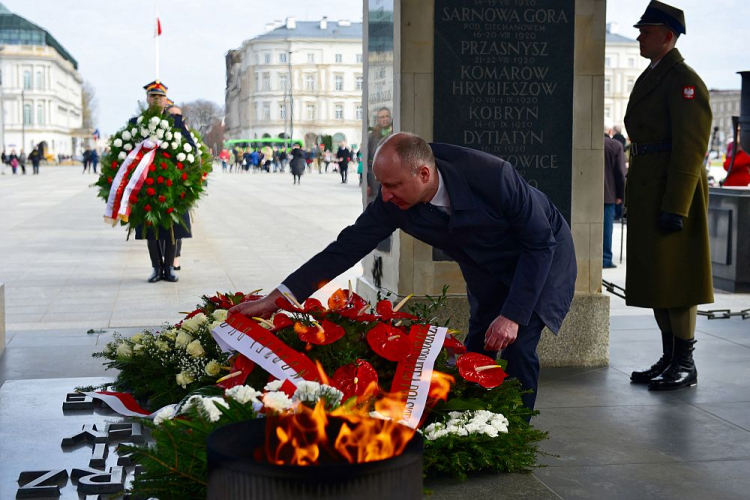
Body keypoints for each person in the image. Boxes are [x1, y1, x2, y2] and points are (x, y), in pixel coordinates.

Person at [229, 132, 577, 412]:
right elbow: (345, 248)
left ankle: (516, 428)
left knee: (518, 342)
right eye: (382, 184)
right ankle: (474, 420)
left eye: (393, 185)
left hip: (543, 254)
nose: (385, 194)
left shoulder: (492, 175)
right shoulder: (392, 203)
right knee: (479, 341)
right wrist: (280, 297)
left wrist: (513, 315)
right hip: (485, 265)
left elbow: (539, 244)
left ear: (423, 174)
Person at [625, 1, 713, 391]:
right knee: (659, 279)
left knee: (678, 282)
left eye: (647, 30)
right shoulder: (656, 74)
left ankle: (686, 363)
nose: (640, 36)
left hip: (672, 193)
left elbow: (690, 149)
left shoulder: (683, 81)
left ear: (668, 35)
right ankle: (670, 356)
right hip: (650, 188)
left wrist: (676, 205)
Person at [133, 80, 193, 283]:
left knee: (171, 230)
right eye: (153, 96)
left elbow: (191, 147)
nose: (156, 99)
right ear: (147, 99)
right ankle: (156, 269)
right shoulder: (137, 123)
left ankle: (169, 268)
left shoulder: (175, 122)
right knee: (151, 230)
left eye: (160, 96)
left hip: (171, 185)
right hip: (147, 184)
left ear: (166, 99)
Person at [603, 126, 626, 269]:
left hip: (589, 194)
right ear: (610, 132)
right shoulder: (615, 146)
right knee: (606, 229)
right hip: (609, 194)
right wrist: (620, 195)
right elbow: (620, 173)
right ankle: (605, 259)